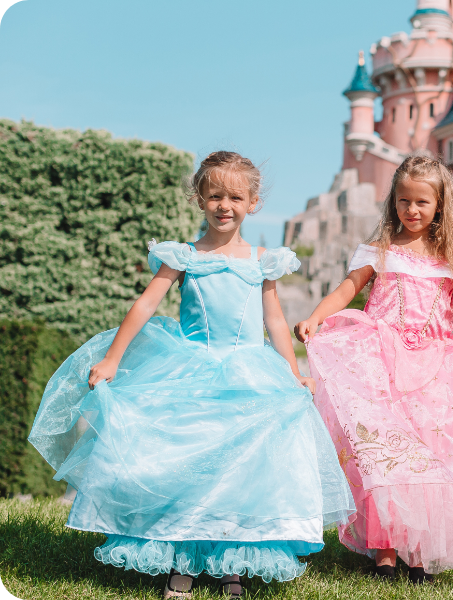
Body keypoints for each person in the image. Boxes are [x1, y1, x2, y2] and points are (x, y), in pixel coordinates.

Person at [27, 152, 355, 599]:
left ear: (253, 203)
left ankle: (231, 562)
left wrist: (293, 373)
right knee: (184, 466)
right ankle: (180, 561)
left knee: (241, 470)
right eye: (215, 195)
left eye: (235, 196)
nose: (225, 205)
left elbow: (274, 322)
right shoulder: (182, 256)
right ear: (199, 198)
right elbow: (145, 305)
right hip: (189, 367)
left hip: (247, 370)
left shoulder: (264, 261)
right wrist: (113, 360)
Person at [294, 153, 453, 583]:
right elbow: (348, 288)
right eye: (404, 201)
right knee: (384, 459)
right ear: (394, 202)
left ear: (439, 206)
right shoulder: (381, 252)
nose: (411, 210)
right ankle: (385, 553)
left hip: (434, 370)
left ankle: (419, 553)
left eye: (421, 203)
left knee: (431, 459)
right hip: (379, 362)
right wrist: (316, 316)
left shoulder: (451, 259)